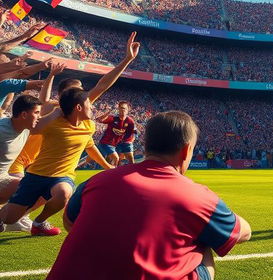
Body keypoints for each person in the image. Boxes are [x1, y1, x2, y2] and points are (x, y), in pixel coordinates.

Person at [47, 111, 251, 280]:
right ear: (186, 150)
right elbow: (244, 233)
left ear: (146, 146)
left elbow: (69, 221)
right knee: (201, 244)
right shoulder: (197, 195)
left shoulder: (97, 180)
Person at [9, 31, 140, 178]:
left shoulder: (79, 120)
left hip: (37, 165)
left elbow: (90, 146)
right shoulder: (52, 108)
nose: (84, 94)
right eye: (79, 90)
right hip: (17, 160)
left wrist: (127, 60)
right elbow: (100, 86)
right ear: (64, 94)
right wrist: (51, 76)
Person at [0, 87, 113, 235]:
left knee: (63, 193)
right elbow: (33, 128)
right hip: (36, 175)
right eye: (89, 104)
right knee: (10, 219)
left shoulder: (89, 126)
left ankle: (39, 222)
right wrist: (55, 112)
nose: (92, 107)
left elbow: (90, 146)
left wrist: (107, 166)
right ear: (78, 107)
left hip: (62, 176)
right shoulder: (53, 122)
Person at [96, 101, 136, 166]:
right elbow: (99, 120)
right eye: (121, 108)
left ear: (128, 110)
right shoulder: (113, 118)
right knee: (116, 159)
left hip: (118, 144)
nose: (123, 110)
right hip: (107, 143)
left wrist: (130, 141)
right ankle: (112, 172)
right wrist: (107, 113)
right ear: (118, 109)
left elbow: (134, 132)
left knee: (126, 161)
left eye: (124, 108)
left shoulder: (130, 121)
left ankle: (111, 172)